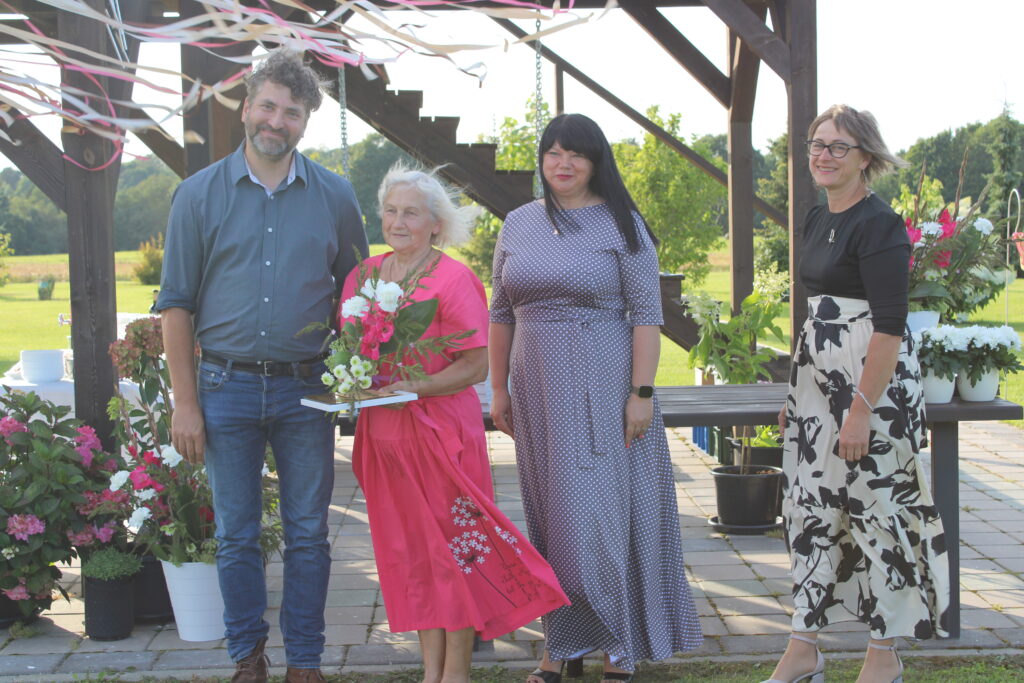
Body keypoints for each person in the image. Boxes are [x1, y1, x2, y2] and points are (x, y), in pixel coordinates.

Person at [157, 49, 368, 683]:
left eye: (292, 112)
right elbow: (175, 305)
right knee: (236, 535)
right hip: (225, 387)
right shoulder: (197, 195)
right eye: (269, 106)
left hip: (307, 390)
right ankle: (248, 657)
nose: (277, 121)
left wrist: (355, 378)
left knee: (307, 533)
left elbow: (358, 300)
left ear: (306, 122)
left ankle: (304, 662)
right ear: (246, 108)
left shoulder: (335, 196)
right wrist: (185, 402)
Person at [489, 113, 703, 683]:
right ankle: (561, 646)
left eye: (576, 154)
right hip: (536, 392)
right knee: (551, 520)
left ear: (596, 161)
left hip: (601, 390)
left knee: (598, 519)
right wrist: (497, 386)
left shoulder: (622, 224)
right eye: (553, 152)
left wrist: (641, 394)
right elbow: (501, 311)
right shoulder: (518, 223)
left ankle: (617, 646)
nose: (563, 163)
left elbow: (647, 316)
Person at [341, 165, 569, 683]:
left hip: (440, 432)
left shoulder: (453, 278)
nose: (398, 222)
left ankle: (458, 673)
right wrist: (353, 380)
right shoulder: (364, 277)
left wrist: (415, 385)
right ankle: (432, 672)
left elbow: (476, 365)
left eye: (411, 213)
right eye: (391, 211)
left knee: (458, 550)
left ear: (435, 224)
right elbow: (354, 350)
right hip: (384, 436)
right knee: (411, 555)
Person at [766, 104, 949, 683]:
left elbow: (889, 328)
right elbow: (816, 314)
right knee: (811, 513)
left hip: (874, 395)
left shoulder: (880, 224)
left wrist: (860, 412)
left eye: (838, 146)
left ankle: (883, 655)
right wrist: (798, 397)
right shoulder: (816, 216)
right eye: (817, 144)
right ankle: (803, 647)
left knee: (878, 516)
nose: (823, 155)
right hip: (818, 391)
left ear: (865, 157)